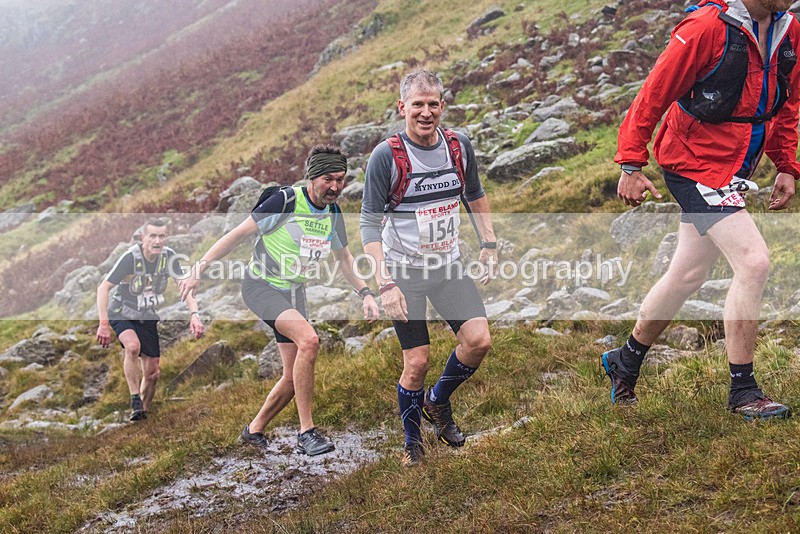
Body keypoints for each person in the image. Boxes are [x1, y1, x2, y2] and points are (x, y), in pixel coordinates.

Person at [606, 0, 799, 419]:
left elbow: (788, 103)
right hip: (693, 164)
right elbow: (654, 91)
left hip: (732, 167)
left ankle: (626, 359)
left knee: (688, 274)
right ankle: (743, 391)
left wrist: (786, 163)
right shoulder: (706, 26)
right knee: (754, 262)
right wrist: (631, 161)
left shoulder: (789, 30)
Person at [179, 145, 379, 456]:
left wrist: (364, 292)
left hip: (294, 292)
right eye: (328, 178)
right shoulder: (285, 201)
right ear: (312, 177)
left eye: (340, 179)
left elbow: (344, 258)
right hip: (261, 287)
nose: (335, 187)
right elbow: (237, 234)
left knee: (291, 375)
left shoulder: (334, 213)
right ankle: (307, 432)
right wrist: (198, 269)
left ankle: (253, 430)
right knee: (309, 341)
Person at [360, 70, 498, 466]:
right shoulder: (386, 156)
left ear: (442, 106)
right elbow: (369, 222)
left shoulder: (459, 146)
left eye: (432, 104)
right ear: (402, 108)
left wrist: (488, 243)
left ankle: (437, 403)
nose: (425, 112)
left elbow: (474, 193)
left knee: (479, 341)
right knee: (417, 360)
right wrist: (385, 283)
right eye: (416, 105)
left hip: (448, 265)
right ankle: (413, 444)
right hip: (403, 272)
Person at [96, 219, 204, 421]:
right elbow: (103, 288)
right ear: (142, 238)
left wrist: (194, 314)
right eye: (153, 236)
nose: (157, 240)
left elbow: (185, 285)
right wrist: (103, 324)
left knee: (153, 372)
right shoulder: (130, 258)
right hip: (122, 312)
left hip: (146, 315)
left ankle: (141, 414)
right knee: (133, 347)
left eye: (161, 236)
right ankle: (135, 397)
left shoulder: (168, 257)